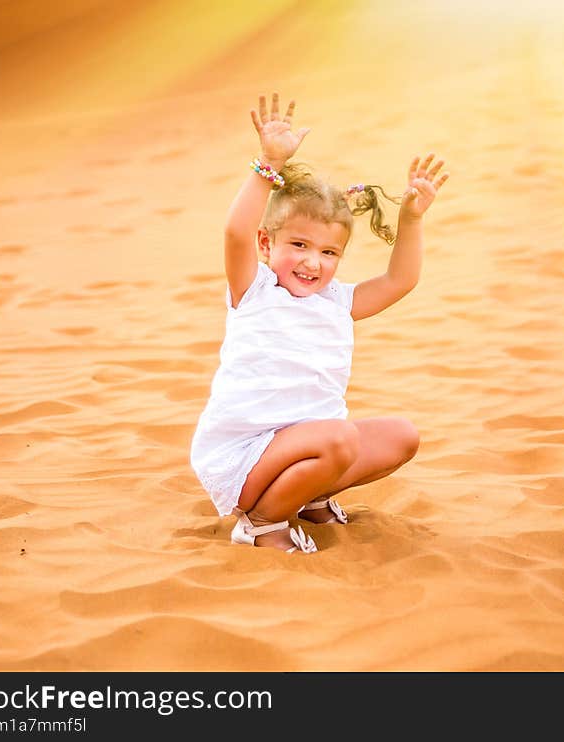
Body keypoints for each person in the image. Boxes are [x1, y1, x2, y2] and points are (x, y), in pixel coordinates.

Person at [190, 92, 449, 553]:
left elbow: (400, 279)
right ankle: (262, 523)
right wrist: (268, 163)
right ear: (267, 244)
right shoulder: (255, 290)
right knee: (338, 437)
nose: (313, 262)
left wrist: (411, 218)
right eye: (299, 245)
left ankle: (310, 496)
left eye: (329, 252)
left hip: (311, 448)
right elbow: (234, 232)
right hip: (246, 460)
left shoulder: (336, 301)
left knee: (400, 437)